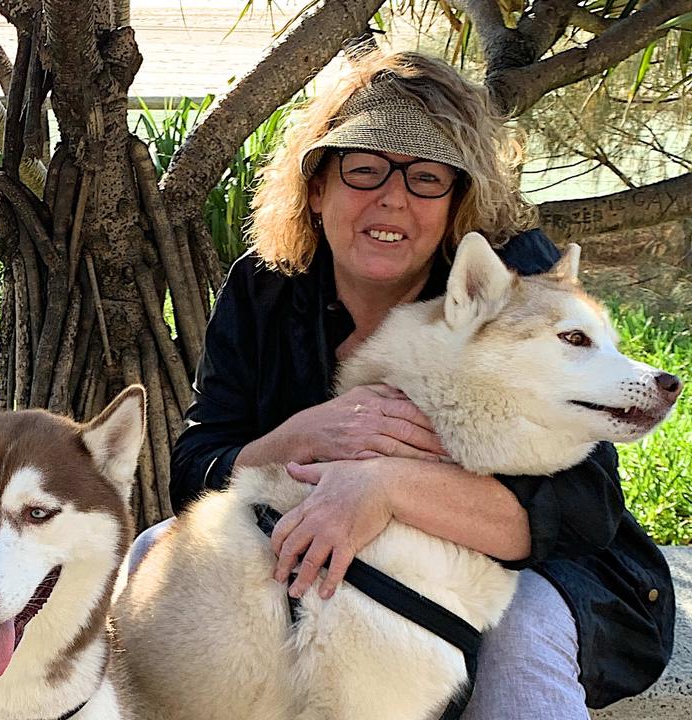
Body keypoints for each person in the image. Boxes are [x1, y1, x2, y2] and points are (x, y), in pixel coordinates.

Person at [165, 50, 673, 718]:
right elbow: (196, 469)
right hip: (322, 542)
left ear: (458, 203)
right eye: (365, 168)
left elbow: (582, 508)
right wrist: (295, 437)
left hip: (537, 568)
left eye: (428, 178)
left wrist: (384, 487)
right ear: (317, 190)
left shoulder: (517, 284)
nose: (394, 197)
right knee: (162, 557)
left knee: (521, 635)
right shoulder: (265, 287)